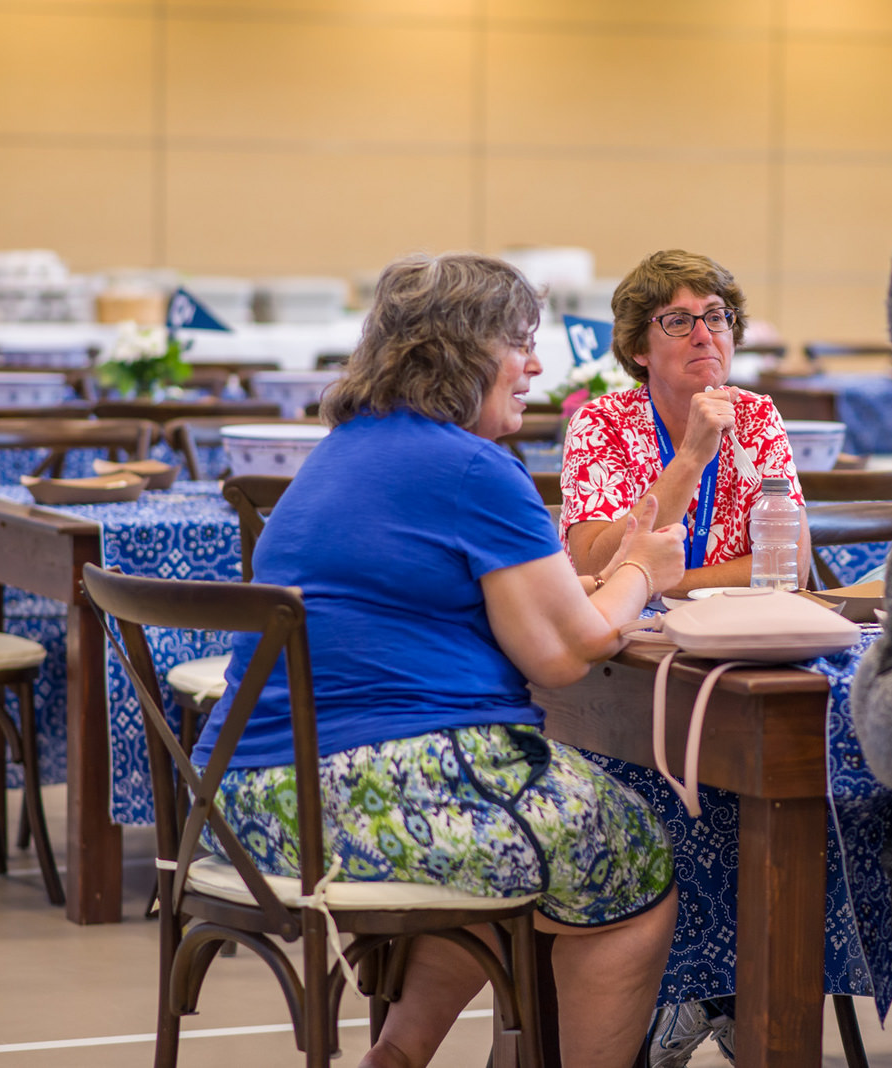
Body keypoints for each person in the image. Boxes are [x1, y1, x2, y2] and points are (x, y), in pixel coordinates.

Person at [191, 252, 685, 1068]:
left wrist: (584, 586)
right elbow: (566, 653)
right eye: (519, 344)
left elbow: (466, 602)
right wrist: (642, 569)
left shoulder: (347, 450)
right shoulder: (471, 468)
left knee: (507, 843)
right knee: (629, 856)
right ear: (458, 352)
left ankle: (399, 1054)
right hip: (355, 796)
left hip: (250, 803)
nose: (535, 366)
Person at [559, 248, 811, 595]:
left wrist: (652, 584)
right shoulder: (602, 423)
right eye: (678, 321)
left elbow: (788, 568)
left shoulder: (755, 416)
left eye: (716, 317)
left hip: (737, 621)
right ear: (638, 348)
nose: (704, 335)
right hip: (629, 623)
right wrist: (690, 458)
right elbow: (595, 567)